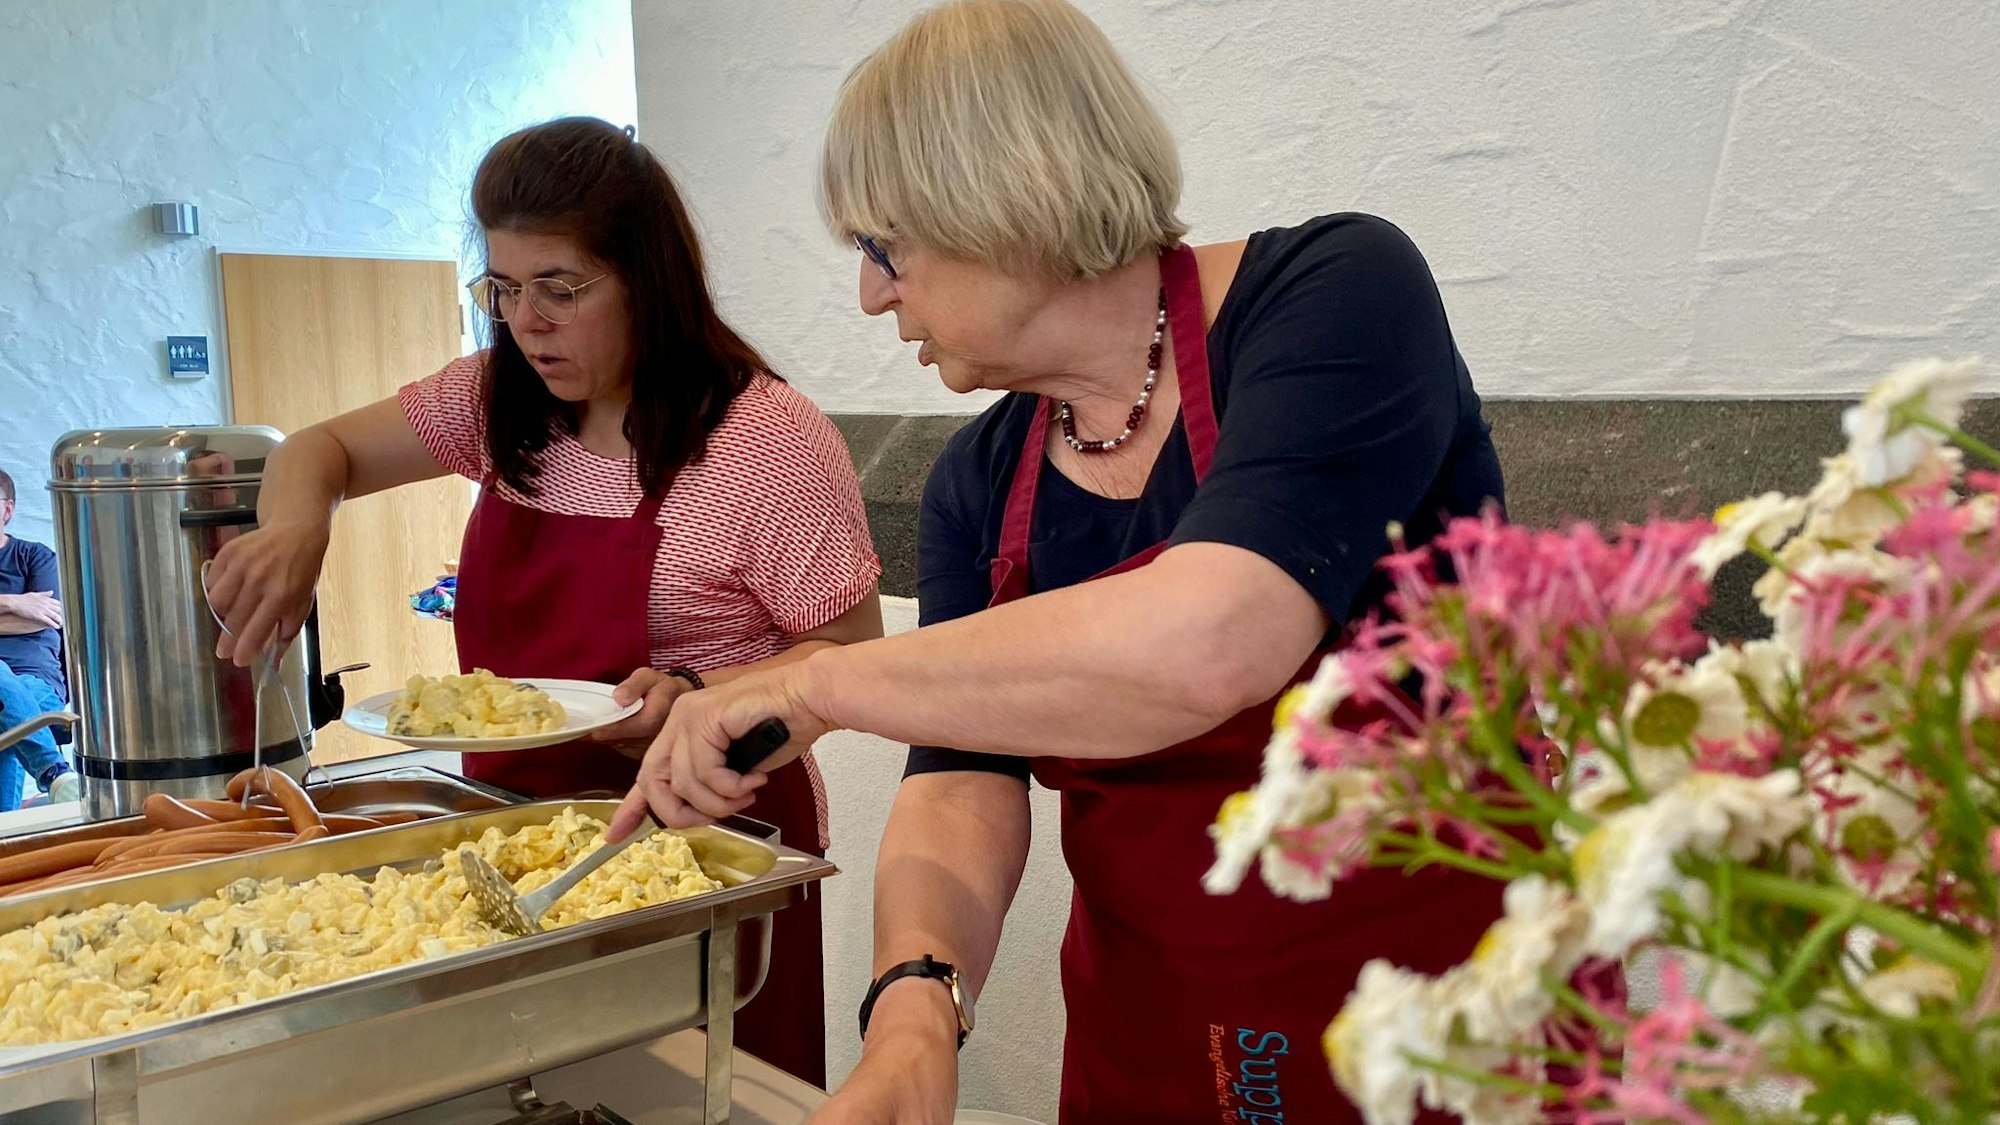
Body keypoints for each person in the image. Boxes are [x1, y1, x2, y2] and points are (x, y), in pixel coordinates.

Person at [613, 3, 1513, 1121]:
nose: (872, 293)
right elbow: (958, 782)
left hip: (1444, 1035)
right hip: (1158, 1042)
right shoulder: (979, 481)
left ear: (998, 199)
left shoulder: (1334, 295)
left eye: (884, 248)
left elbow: (1212, 637)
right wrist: (911, 1012)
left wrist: (809, 682)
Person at [204, 118, 881, 1085]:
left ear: (648, 278)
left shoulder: (763, 441)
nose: (529, 322)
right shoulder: (498, 399)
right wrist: (298, 529)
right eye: (504, 290)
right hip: (509, 840)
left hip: (708, 854)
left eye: (561, 289)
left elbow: (847, 658)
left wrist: (698, 690)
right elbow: (320, 449)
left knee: (705, 1096)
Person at [0, 468, 80, 811]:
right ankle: (55, 774)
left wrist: (31, 614)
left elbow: (49, 617)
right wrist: (14, 603)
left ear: (7, 510)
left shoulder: (35, 557)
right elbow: (28, 617)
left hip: (37, 681)